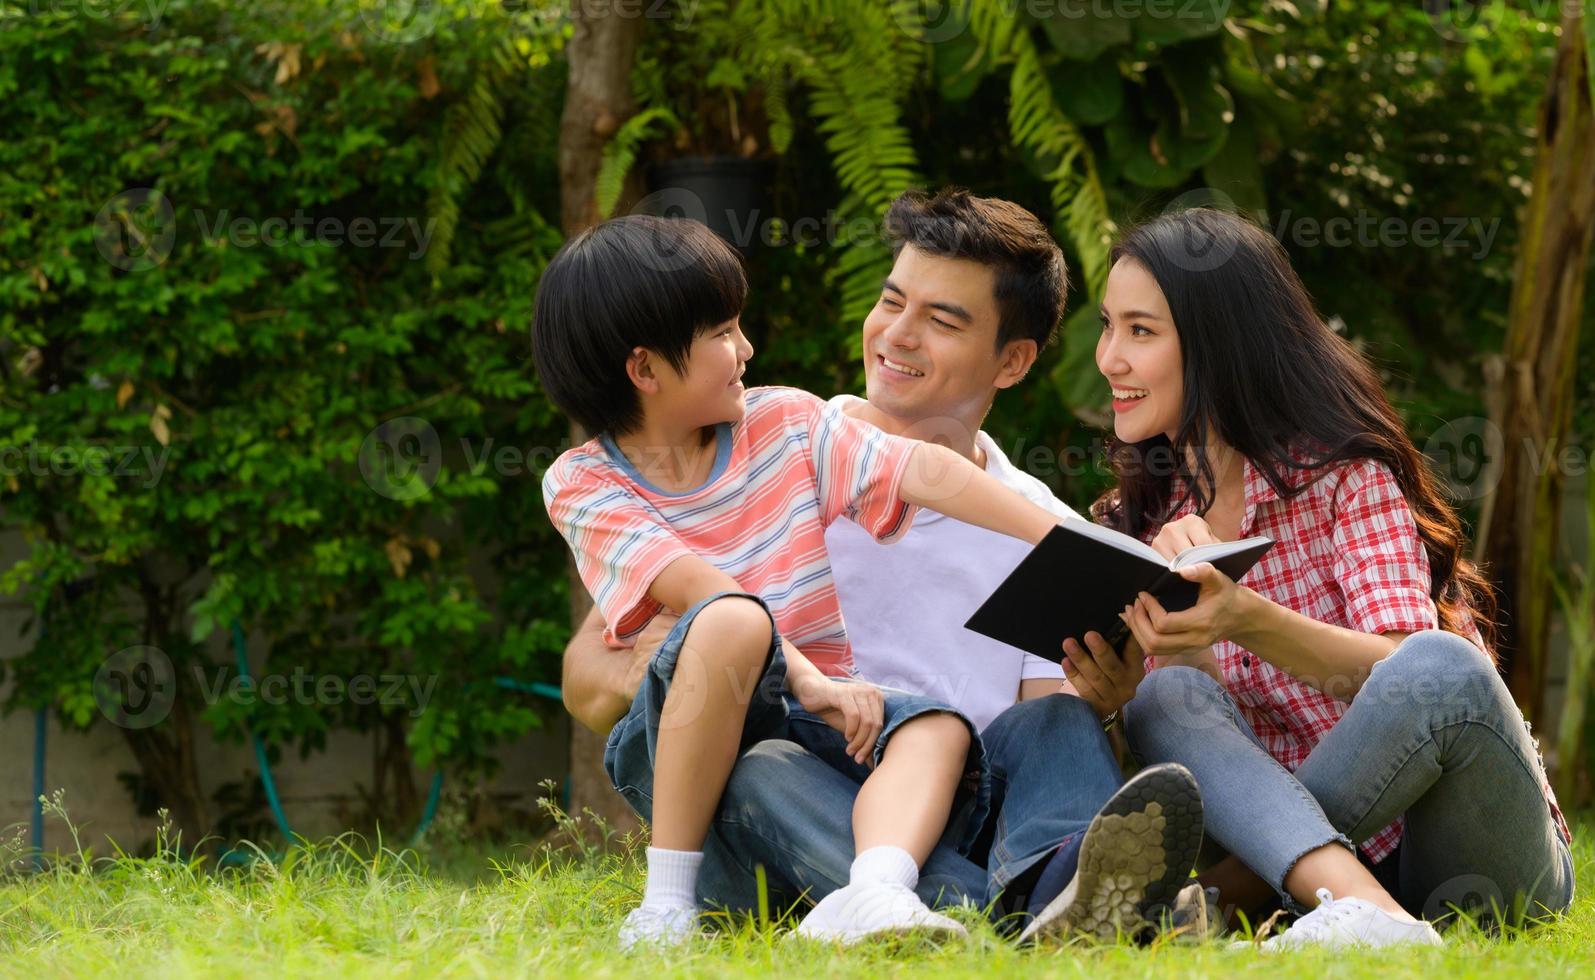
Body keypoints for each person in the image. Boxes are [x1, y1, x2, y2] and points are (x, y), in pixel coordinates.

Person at [558, 190, 1207, 946]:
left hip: (959, 807)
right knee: (763, 769)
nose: (896, 336)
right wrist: (739, 665)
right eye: (891, 302)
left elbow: (1047, 743)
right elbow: (590, 676)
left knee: (1056, 720)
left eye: (940, 320)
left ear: (1014, 360)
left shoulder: (1038, 527)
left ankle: (1055, 889)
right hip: (798, 784)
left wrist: (1104, 699)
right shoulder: (774, 455)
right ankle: (1053, 918)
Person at [1086, 208, 1573, 948]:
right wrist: (1115, 696)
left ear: (1220, 344)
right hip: (1308, 866)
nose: (1108, 357)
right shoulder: (1134, 520)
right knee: (1164, 696)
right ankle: (1362, 909)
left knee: (1442, 665)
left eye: (1140, 331)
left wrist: (1242, 615)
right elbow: (1194, 748)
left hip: (1466, 849)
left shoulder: (1346, 477)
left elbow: (1414, 684)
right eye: (1107, 326)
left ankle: (1224, 899)